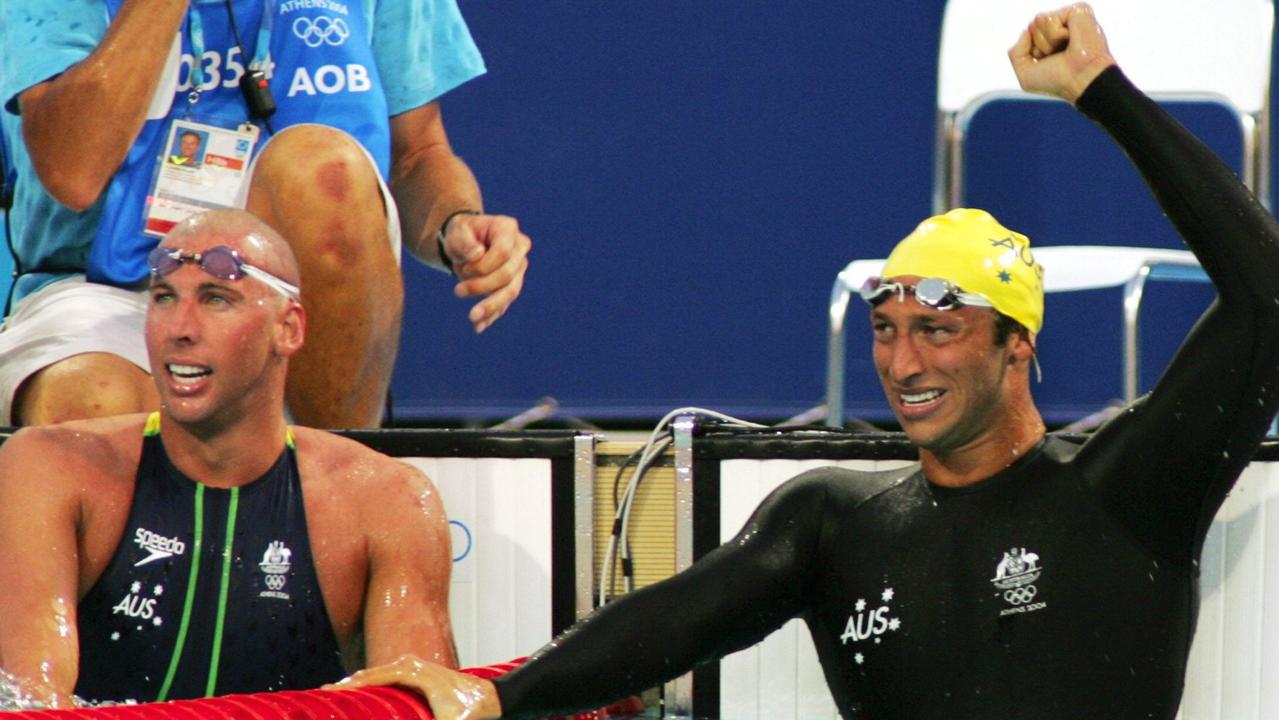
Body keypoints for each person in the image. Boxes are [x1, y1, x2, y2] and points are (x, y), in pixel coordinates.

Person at [332, 4, 1279, 719]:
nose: (901, 361)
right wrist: (498, 698)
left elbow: (1267, 294)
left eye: (938, 329)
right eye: (884, 327)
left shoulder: (1127, 490)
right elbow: (669, 623)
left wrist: (1100, 91)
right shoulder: (837, 524)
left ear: (1016, 345)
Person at [0, 0, 532, 428]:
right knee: (92, 408)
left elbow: (417, 154)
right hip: (107, 291)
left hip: (295, 304)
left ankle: (338, 488)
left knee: (321, 167)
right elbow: (73, 171)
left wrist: (454, 223)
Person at [0, 210, 456, 707]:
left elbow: (421, 706)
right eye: (164, 298)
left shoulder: (385, 504)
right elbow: (32, 704)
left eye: (216, 299)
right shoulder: (52, 470)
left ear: (289, 328)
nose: (180, 328)